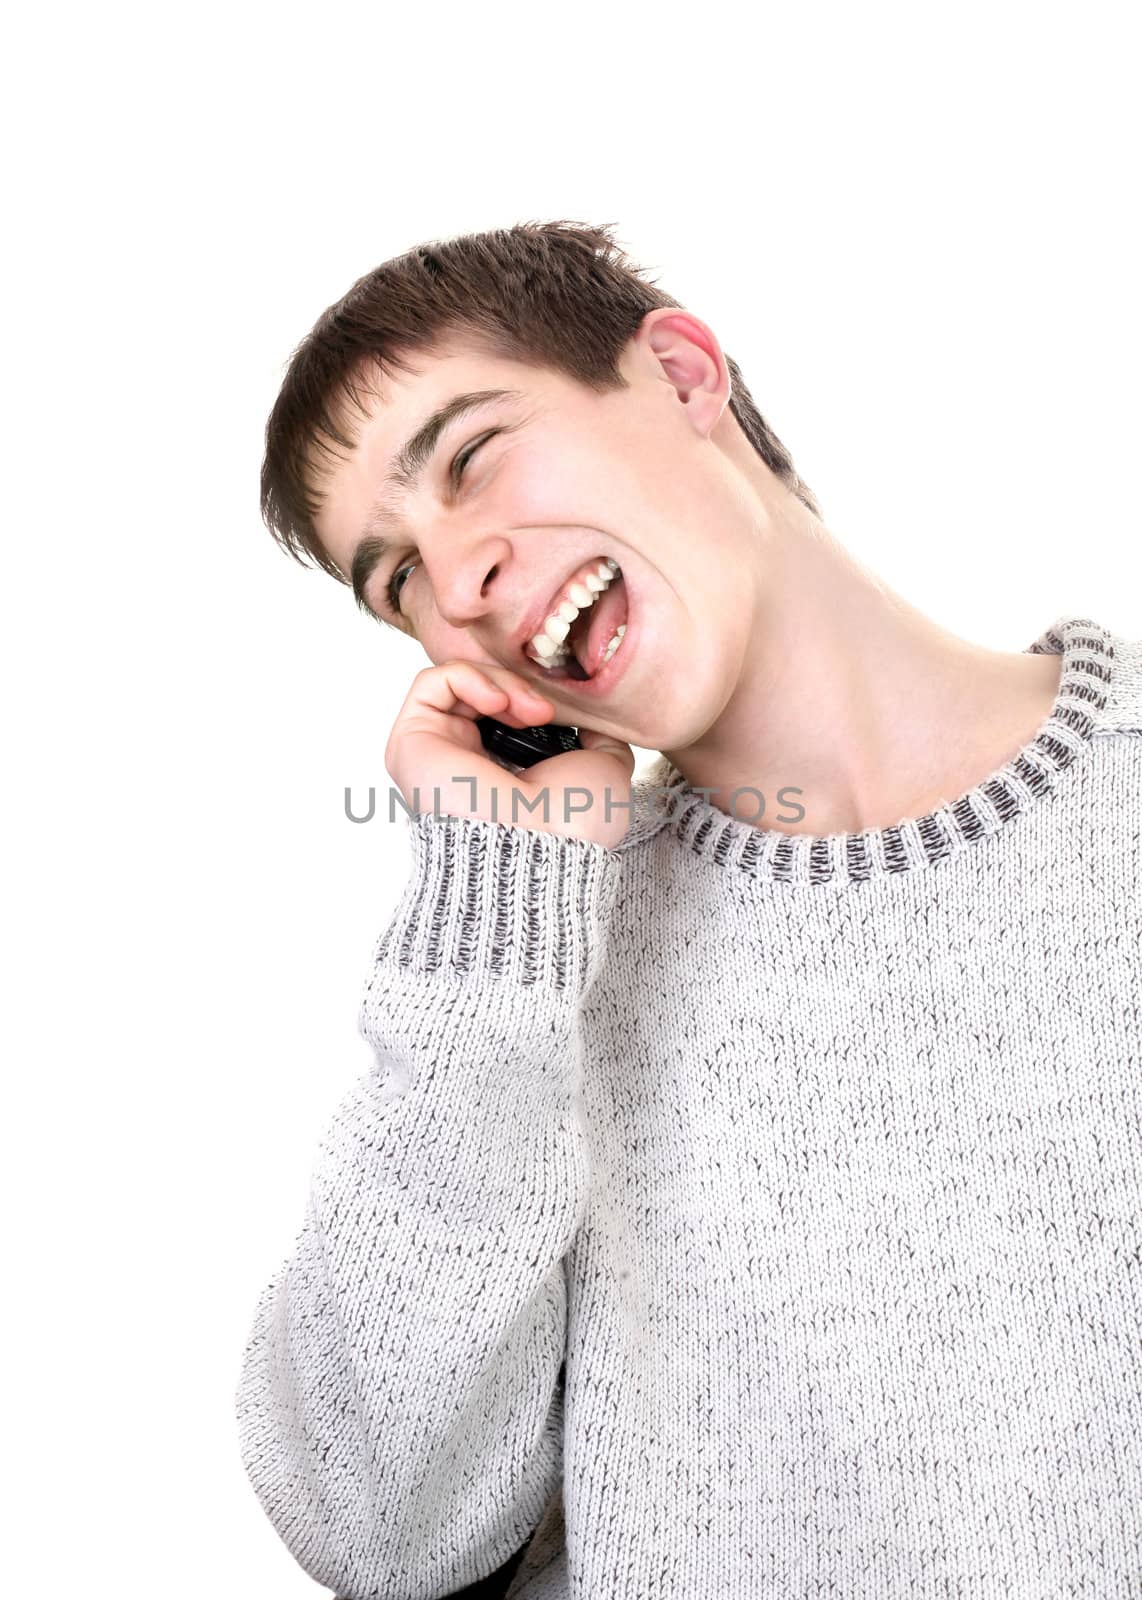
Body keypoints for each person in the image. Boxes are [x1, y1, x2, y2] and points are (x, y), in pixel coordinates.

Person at [235, 220, 1142, 1597]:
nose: (458, 583)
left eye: (473, 456)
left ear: (677, 373)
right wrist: (495, 918)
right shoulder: (531, 977)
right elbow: (378, 1526)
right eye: (398, 577)